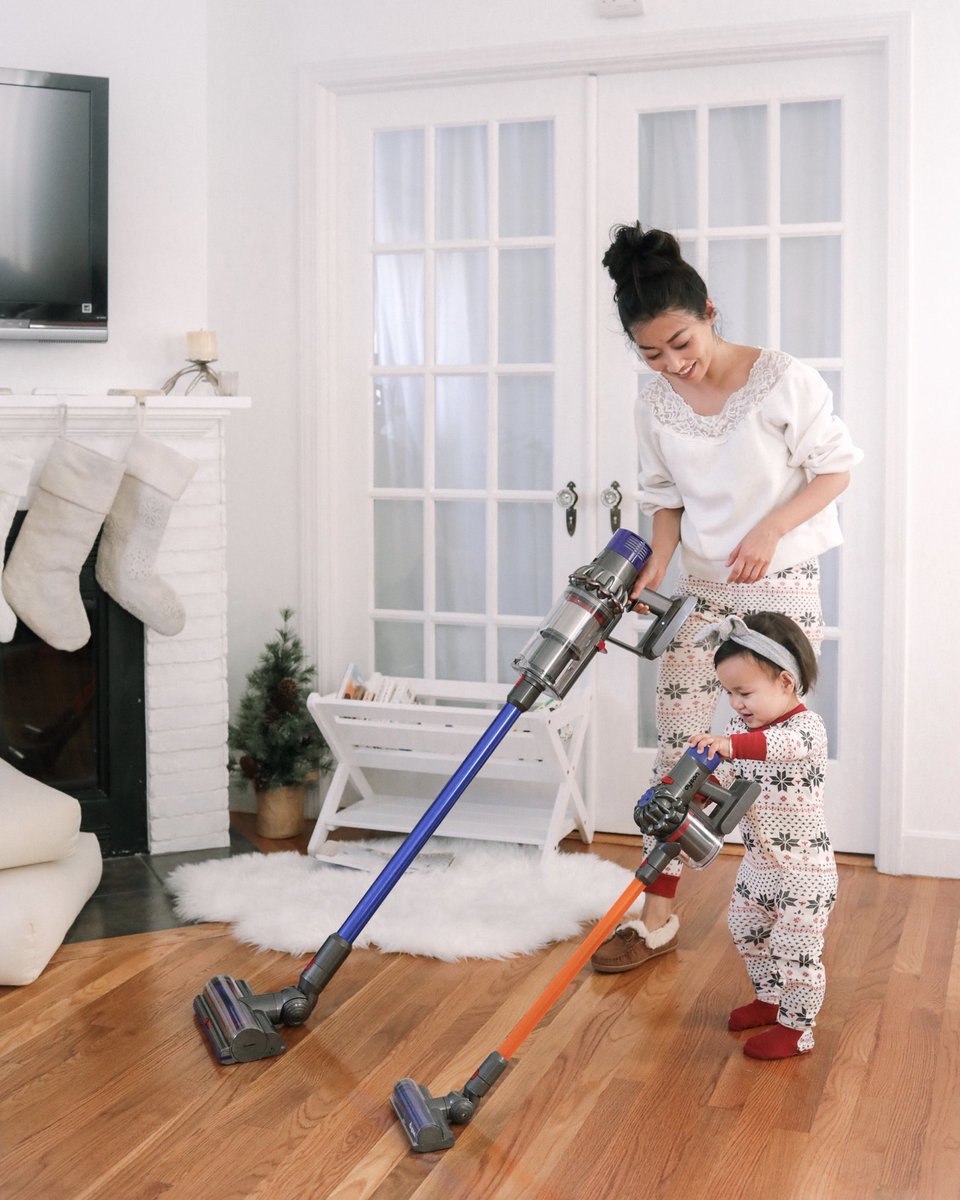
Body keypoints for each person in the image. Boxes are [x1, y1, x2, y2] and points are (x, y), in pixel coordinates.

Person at [590, 223, 860, 975]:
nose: (672, 362)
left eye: (681, 341)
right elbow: (666, 501)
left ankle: (788, 932)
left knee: (771, 760)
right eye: (652, 353)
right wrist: (656, 567)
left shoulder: (782, 379)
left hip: (779, 597)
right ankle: (657, 918)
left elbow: (836, 470)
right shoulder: (655, 405)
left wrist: (771, 528)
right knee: (678, 755)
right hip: (701, 596)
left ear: (709, 310)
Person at [688, 611, 837, 1059]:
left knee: (796, 950)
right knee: (747, 929)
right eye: (729, 693)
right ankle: (770, 999)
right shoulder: (740, 730)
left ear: (786, 683)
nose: (736, 704)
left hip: (803, 871)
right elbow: (732, 778)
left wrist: (730, 745)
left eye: (745, 692)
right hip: (759, 865)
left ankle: (797, 1029)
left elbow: (775, 749)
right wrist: (700, 796)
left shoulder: (805, 729)